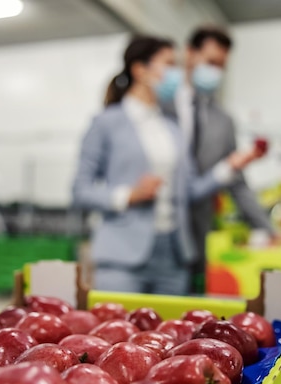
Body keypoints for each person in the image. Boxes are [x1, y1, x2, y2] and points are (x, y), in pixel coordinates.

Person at [72, 35, 263, 296]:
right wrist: (128, 195)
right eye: (169, 64)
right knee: (118, 334)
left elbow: (190, 191)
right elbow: (79, 190)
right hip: (122, 257)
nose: (177, 73)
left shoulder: (172, 129)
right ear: (140, 70)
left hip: (174, 256)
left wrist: (228, 166)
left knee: (171, 336)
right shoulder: (106, 123)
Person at [161, 26, 281, 290]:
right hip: (153, 235)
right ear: (189, 53)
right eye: (210, 62)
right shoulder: (158, 105)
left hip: (196, 235)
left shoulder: (224, 121)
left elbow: (237, 184)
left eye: (221, 66)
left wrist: (270, 230)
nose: (215, 72)